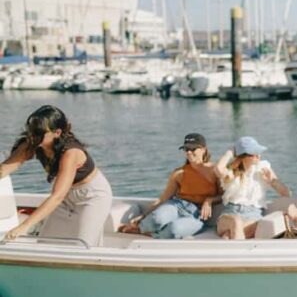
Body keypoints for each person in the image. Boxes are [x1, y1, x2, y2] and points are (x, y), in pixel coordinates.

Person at [0, 105, 112, 246]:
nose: (32, 136)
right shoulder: (33, 143)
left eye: (39, 132)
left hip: (92, 196)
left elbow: (57, 196)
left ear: (57, 132)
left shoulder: (71, 153)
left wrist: (23, 227)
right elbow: (3, 170)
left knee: (83, 246)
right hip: (66, 196)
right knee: (45, 244)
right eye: (31, 130)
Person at [120, 133, 220, 239]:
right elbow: (163, 199)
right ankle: (141, 227)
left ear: (203, 149)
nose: (189, 152)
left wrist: (209, 200)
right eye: (186, 149)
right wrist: (144, 215)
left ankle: (144, 232)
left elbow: (225, 196)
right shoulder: (179, 173)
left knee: (174, 230)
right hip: (177, 206)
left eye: (193, 149)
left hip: (198, 216)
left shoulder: (215, 170)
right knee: (156, 219)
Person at [214, 136, 290, 240]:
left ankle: (230, 241)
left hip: (253, 214)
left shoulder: (263, 168)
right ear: (243, 157)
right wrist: (230, 152)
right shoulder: (232, 173)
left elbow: (286, 193)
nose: (258, 156)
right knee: (236, 222)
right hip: (230, 213)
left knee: (231, 233)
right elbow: (218, 169)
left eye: (258, 152)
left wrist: (272, 181)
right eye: (253, 154)